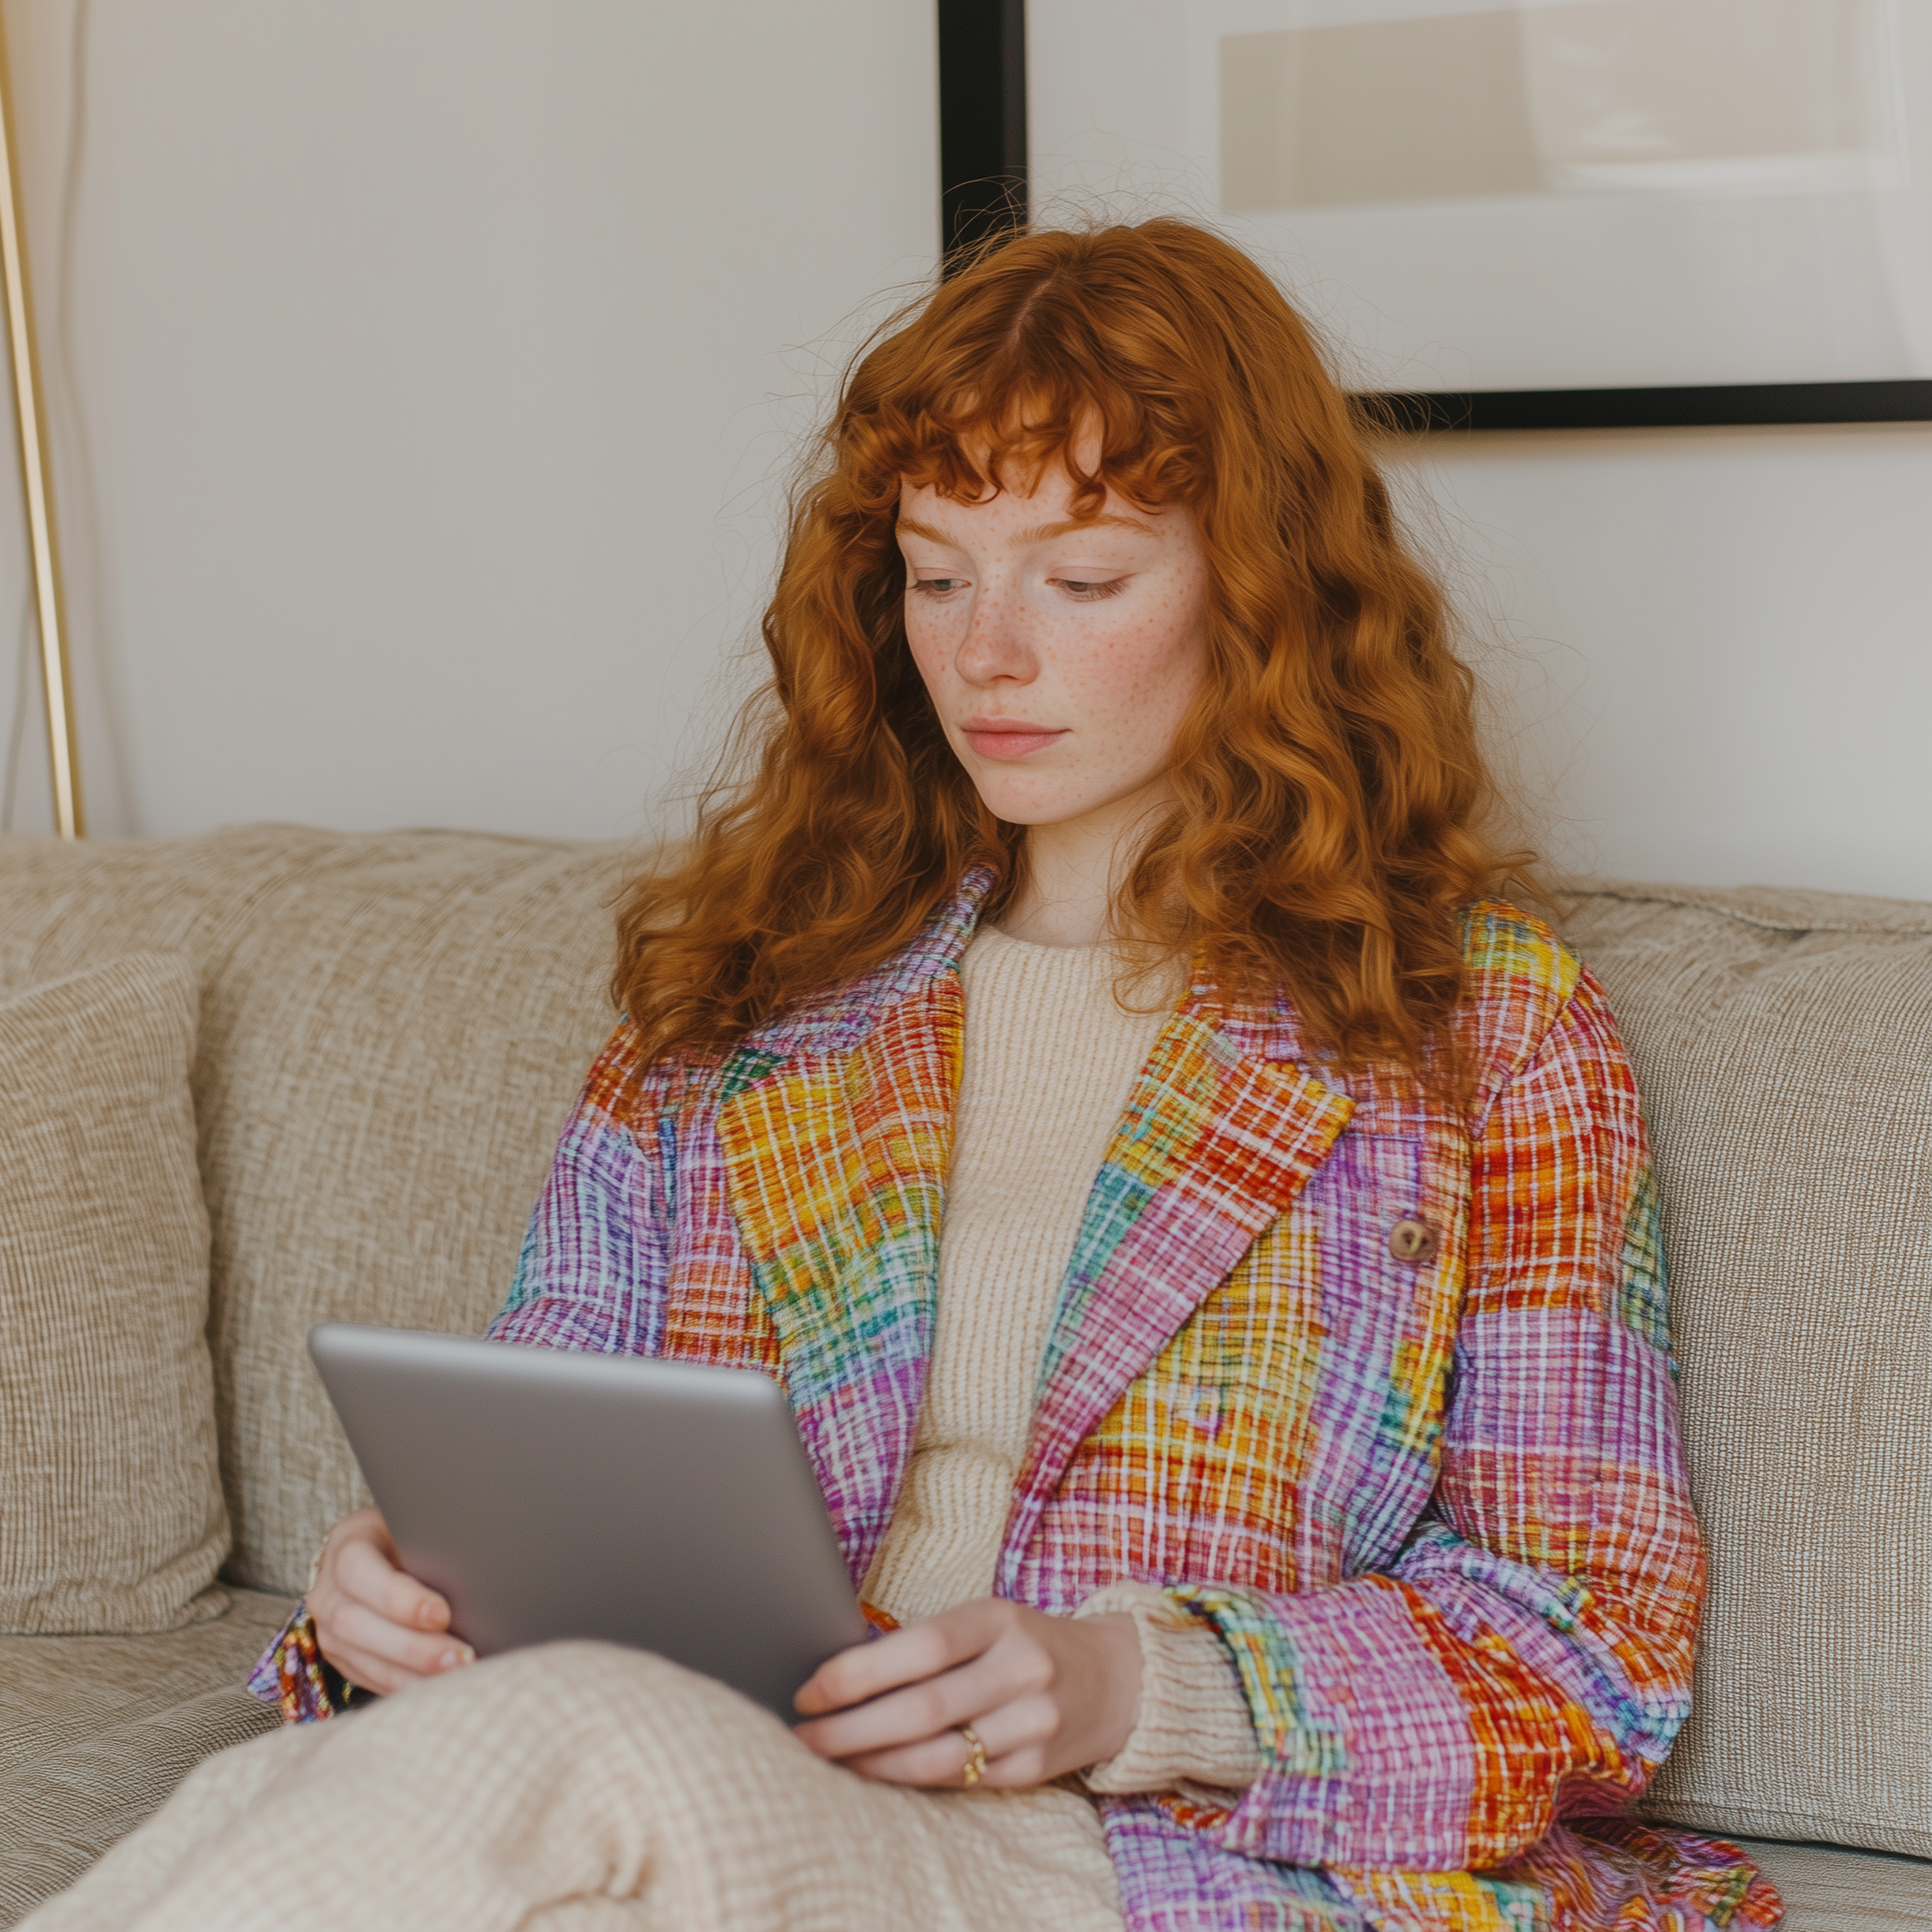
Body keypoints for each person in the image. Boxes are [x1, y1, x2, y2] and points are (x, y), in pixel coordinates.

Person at [29, 220, 1782, 1932]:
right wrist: (386, 1610)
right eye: (937, 574)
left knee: (573, 1771)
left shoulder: (1479, 1036)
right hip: (720, 1772)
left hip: (1146, 1852)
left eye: (1078, 580)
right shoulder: (740, 1003)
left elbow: (1590, 1647)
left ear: (1263, 595)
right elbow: (548, 1457)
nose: (985, 652)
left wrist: (1128, 1687)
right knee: (297, 1786)